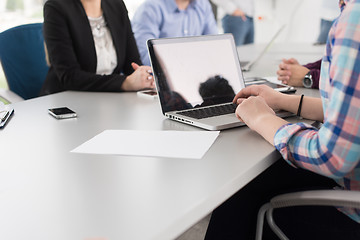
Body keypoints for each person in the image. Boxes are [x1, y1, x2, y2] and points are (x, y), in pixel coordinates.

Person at [205, 0, 360, 239]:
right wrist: (285, 101)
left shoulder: (355, 17)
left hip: (351, 210)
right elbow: (352, 112)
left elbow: (333, 157)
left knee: (239, 193)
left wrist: (263, 119)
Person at [40, 0, 154, 96]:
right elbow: (70, 76)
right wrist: (124, 83)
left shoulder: (116, 4)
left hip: (110, 98)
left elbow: (132, 65)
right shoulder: (56, 8)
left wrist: (144, 79)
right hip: (68, 99)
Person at [131, 0, 218, 66]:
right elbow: (144, 57)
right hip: (160, 81)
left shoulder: (203, 5)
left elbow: (215, 47)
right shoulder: (151, 8)